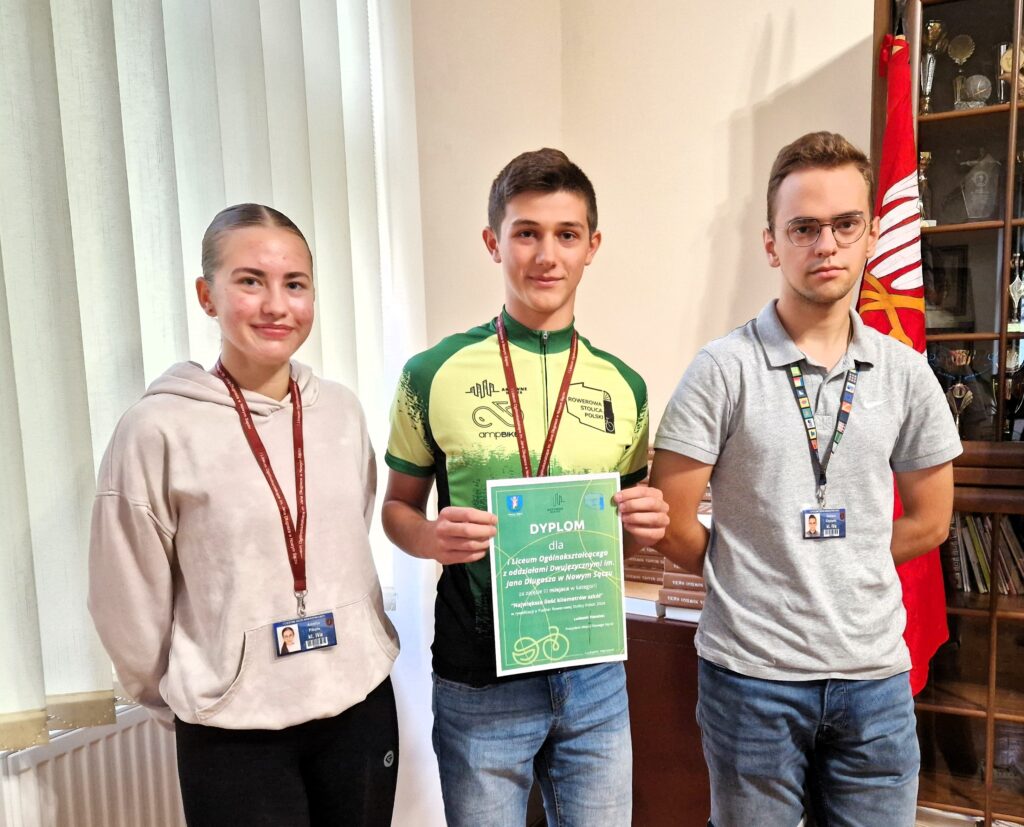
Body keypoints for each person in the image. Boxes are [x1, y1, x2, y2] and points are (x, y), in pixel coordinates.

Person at [649, 132, 962, 827]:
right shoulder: (721, 370)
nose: (827, 245)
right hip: (750, 678)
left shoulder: (907, 373)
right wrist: (750, 569)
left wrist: (843, 561)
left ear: (871, 234)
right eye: (804, 228)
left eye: (846, 224)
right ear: (772, 243)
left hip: (874, 681)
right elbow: (669, 521)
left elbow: (932, 520)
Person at [382, 148, 669, 826]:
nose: (547, 255)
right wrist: (431, 538)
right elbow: (396, 508)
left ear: (592, 246)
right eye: (526, 233)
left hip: (594, 679)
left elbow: (619, 540)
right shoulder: (431, 373)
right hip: (478, 681)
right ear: (493, 242)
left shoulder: (625, 386)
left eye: (567, 234)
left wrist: (645, 526)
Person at [88, 204, 400, 827]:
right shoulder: (157, 429)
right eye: (250, 281)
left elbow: (347, 532)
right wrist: (200, 687)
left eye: (295, 284)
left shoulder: (341, 411)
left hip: (358, 704)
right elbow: (127, 596)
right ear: (207, 295)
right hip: (233, 727)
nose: (276, 306)